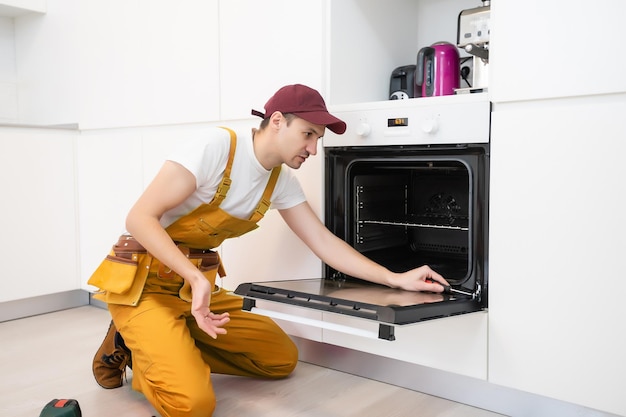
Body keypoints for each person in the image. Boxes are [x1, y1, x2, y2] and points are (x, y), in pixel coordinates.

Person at [89, 84, 449, 417]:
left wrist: (395, 278)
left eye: (318, 139)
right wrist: (196, 277)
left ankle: (160, 344)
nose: (312, 149)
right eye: (308, 134)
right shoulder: (217, 147)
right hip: (145, 285)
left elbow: (323, 242)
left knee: (280, 359)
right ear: (277, 121)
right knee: (192, 405)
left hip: (192, 294)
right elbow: (139, 218)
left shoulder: (280, 181)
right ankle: (139, 342)